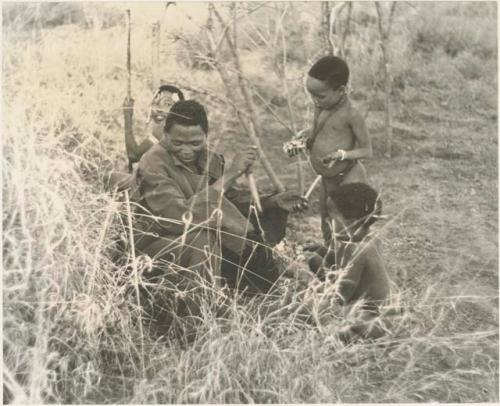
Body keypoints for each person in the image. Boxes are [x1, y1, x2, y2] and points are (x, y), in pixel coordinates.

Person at [133, 99, 306, 301]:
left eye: (195, 143)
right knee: (203, 240)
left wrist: (272, 201)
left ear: (206, 137)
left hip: (206, 240)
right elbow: (179, 218)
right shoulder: (153, 162)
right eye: (177, 143)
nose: (186, 150)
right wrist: (230, 175)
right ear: (165, 134)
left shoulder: (210, 159)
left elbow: (229, 201)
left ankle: (254, 291)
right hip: (156, 245)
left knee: (253, 237)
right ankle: (202, 312)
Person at [285, 55, 373, 246]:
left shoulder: (351, 115)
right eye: (311, 95)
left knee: (346, 226)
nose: (315, 100)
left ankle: (354, 265)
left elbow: (367, 151)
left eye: (320, 95)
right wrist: (301, 140)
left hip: (348, 176)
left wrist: (342, 155)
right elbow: (319, 132)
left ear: (341, 90)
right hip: (328, 179)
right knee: (326, 220)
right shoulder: (322, 107)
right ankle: (331, 264)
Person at [314, 182, 392, 342]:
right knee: (314, 262)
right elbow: (338, 265)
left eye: (332, 219)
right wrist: (322, 252)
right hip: (372, 312)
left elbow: (340, 298)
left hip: (368, 319)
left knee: (314, 319)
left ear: (352, 221)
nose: (328, 223)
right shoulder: (370, 240)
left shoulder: (357, 250)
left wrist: (306, 277)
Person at [106, 84, 185, 191]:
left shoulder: (165, 131)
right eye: (156, 104)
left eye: (167, 104)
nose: (159, 109)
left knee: (108, 177)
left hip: (160, 193)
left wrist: (127, 116)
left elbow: (133, 155)